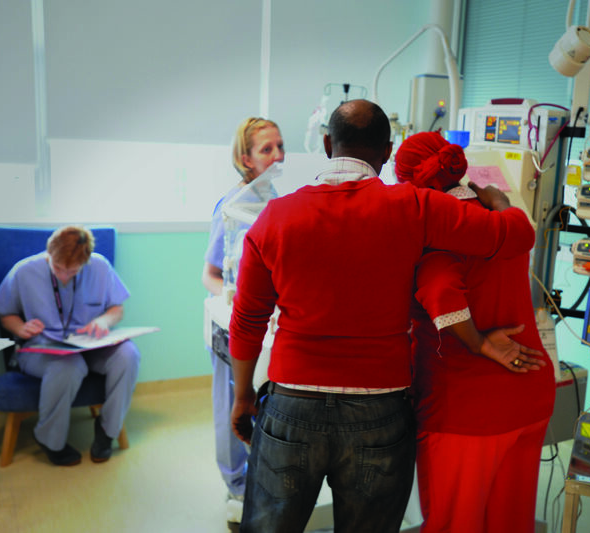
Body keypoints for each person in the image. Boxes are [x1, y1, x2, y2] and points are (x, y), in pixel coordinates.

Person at [227, 99, 542, 533]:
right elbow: (516, 235)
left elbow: (247, 320)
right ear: (388, 150)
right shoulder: (414, 207)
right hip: (379, 410)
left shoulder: (275, 218)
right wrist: (497, 199)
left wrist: (243, 395)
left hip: (292, 405)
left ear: (325, 143)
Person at [395, 131, 556, 532]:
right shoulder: (504, 217)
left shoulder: (438, 228)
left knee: (457, 524)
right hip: (528, 394)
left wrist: (480, 342)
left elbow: (441, 293)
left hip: (467, 408)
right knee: (510, 521)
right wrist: (501, 201)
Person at [0, 225, 141, 466]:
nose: (63, 276)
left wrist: (103, 320)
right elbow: (5, 314)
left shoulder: (100, 266)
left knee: (128, 355)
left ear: (86, 261)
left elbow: (117, 310)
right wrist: (20, 328)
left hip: (91, 345)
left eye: (71, 271)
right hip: (42, 347)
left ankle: (107, 430)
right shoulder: (24, 271)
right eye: (57, 268)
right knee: (69, 366)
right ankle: (49, 439)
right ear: (49, 253)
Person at [200, 117, 284, 523]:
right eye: (267, 149)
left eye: (280, 147)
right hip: (234, 321)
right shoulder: (232, 208)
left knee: (265, 408)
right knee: (231, 407)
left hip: (271, 325)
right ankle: (236, 488)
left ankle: (264, 487)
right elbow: (211, 275)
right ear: (245, 158)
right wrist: (238, 301)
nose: (278, 156)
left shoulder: (283, 203)